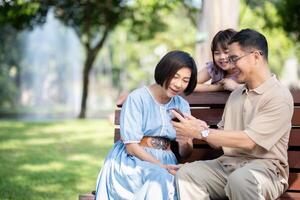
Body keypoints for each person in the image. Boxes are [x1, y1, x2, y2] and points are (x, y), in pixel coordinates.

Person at [171, 29, 294, 200]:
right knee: (187, 174)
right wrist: (200, 127)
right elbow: (220, 143)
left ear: (256, 57)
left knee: (241, 180)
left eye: (234, 58)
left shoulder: (278, 96)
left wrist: (202, 133)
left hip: (266, 171)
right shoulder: (236, 95)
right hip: (227, 166)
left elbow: (249, 142)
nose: (231, 64)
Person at [95, 50, 198, 200]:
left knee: (177, 181)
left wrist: (185, 143)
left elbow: (185, 153)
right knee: (160, 179)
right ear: (164, 71)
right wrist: (160, 166)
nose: (178, 84)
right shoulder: (138, 98)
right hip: (134, 162)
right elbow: (131, 147)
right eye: (175, 76)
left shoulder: (182, 105)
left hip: (167, 162)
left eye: (185, 80)